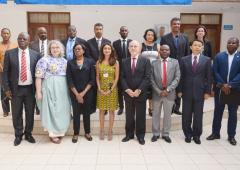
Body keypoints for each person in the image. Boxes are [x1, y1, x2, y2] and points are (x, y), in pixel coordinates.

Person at [3, 32, 40, 146]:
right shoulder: (9, 54)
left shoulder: (36, 54)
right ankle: (18, 135)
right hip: (16, 89)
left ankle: (28, 134)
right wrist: (7, 88)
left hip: (30, 89)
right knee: (16, 113)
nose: (22, 40)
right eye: (20, 39)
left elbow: (39, 73)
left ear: (29, 41)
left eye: (24, 39)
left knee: (30, 113)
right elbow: (5, 73)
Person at [35, 40, 71, 144]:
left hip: (63, 90)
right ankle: (52, 133)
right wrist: (39, 92)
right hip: (49, 88)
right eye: (53, 47)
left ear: (61, 49)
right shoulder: (43, 60)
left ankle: (60, 131)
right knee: (51, 109)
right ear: (49, 49)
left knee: (62, 109)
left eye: (57, 47)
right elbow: (38, 77)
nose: (55, 49)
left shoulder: (65, 61)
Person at [207, 37, 240, 146]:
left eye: (233, 43)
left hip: (234, 90)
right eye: (229, 42)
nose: (231, 44)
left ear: (237, 45)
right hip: (220, 88)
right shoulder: (219, 56)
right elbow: (214, 71)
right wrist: (222, 84)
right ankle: (215, 133)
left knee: (232, 113)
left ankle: (231, 136)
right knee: (218, 112)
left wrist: (230, 85)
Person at [178, 39, 212, 144]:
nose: (197, 47)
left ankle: (197, 135)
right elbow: (181, 76)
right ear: (191, 47)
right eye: (195, 45)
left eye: (199, 46)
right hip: (186, 91)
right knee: (186, 114)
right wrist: (179, 90)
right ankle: (188, 134)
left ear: (202, 48)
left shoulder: (206, 60)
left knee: (198, 115)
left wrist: (207, 92)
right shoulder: (184, 60)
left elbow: (208, 77)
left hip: (200, 92)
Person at [121, 40, 151, 145]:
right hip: (128, 93)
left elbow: (147, 77)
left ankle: (140, 136)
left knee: (140, 115)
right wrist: (127, 90)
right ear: (128, 49)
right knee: (129, 115)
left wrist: (139, 90)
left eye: (135, 46)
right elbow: (122, 77)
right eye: (131, 46)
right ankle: (129, 134)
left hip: (140, 93)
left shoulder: (145, 61)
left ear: (139, 48)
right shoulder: (124, 61)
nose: (133, 48)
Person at [151, 44, 180, 143]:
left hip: (169, 93)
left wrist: (168, 90)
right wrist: (159, 91)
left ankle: (166, 134)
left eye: (166, 50)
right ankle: (155, 133)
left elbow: (177, 78)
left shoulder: (175, 62)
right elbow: (151, 79)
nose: (164, 51)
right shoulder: (154, 63)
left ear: (169, 51)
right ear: (159, 52)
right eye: (162, 50)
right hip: (157, 93)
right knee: (156, 114)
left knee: (167, 115)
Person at [66, 43, 95, 143]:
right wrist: (77, 94)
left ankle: (87, 132)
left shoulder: (90, 62)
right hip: (74, 93)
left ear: (83, 50)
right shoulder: (70, 63)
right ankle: (76, 133)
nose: (77, 50)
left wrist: (82, 93)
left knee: (87, 113)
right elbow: (69, 80)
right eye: (75, 49)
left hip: (87, 92)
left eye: (79, 49)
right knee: (76, 113)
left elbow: (92, 79)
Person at [161, 17, 190, 115]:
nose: (176, 25)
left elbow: (187, 53)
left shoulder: (185, 37)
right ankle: (169, 106)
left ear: (180, 25)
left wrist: (186, 65)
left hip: (181, 65)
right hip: (169, 65)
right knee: (169, 85)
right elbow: (162, 52)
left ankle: (177, 107)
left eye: (178, 24)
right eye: (174, 24)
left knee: (179, 86)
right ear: (171, 25)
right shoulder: (165, 38)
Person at [96, 43, 119, 141]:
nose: (107, 50)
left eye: (108, 48)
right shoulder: (99, 62)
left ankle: (110, 130)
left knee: (111, 111)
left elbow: (116, 77)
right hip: (101, 89)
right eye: (105, 48)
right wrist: (99, 88)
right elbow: (97, 77)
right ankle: (101, 130)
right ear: (102, 50)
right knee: (101, 110)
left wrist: (110, 89)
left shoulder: (115, 62)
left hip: (112, 89)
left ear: (111, 50)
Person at [113, 26, 132, 115]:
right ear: (119, 32)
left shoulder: (131, 42)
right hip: (119, 69)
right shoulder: (115, 43)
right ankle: (121, 107)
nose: (124, 32)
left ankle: (129, 107)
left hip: (130, 69)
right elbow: (114, 56)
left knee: (129, 88)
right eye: (122, 31)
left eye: (125, 30)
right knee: (120, 89)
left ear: (128, 32)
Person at [29, 27, 48, 115]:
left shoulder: (51, 43)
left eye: (44, 33)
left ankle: (47, 107)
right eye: (41, 33)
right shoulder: (32, 44)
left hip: (49, 72)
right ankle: (38, 108)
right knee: (37, 89)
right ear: (37, 34)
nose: (43, 34)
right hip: (35, 72)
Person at [141, 28, 160, 116]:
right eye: (148, 34)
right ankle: (143, 108)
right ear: (145, 36)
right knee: (144, 90)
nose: (150, 36)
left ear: (154, 36)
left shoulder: (158, 45)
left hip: (154, 71)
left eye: (152, 35)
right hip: (143, 71)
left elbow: (160, 59)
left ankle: (151, 108)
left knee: (153, 90)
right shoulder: (141, 45)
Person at [0, 28, 17, 117]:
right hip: (2, 72)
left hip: (13, 72)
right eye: (4, 33)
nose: (5, 35)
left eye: (7, 33)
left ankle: (15, 109)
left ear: (10, 34)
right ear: (1, 34)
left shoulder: (15, 45)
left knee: (13, 89)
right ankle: (5, 110)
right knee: (3, 90)